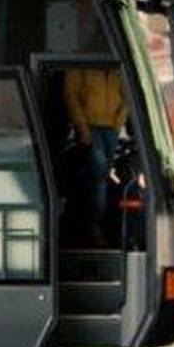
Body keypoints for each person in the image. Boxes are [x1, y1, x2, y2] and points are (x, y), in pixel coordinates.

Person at [64, 67, 127, 242]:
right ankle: (92, 226)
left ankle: (94, 223)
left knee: (101, 177)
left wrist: (118, 123)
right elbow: (71, 96)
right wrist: (82, 128)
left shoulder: (117, 65)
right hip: (89, 127)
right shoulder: (81, 61)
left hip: (111, 129)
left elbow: (127, 95)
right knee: (99, 175)